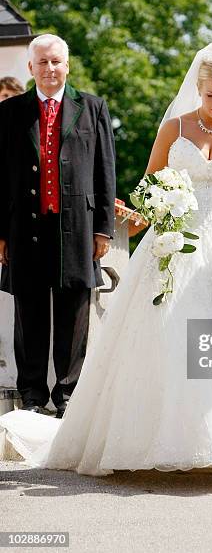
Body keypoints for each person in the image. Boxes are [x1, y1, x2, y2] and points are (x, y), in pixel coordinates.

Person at [0, 42, 212, 481]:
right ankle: (158, 443)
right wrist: (134, 215)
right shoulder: (174, 127)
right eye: (211, 96)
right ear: (198, 90)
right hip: (174, 243)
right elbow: (150, 184)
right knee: (164, 337)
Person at [0, 34, 116, 418]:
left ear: (67, 65)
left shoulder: (93, 108)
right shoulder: (10, 112)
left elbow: (105, 172)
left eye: (56, 62)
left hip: (78, 228)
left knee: (74, 314)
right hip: (24, 228)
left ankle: (67, 395)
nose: (50, 69)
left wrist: (104, 228)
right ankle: (32, 395)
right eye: (42, 63)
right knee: (29, 315)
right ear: (30, 68)